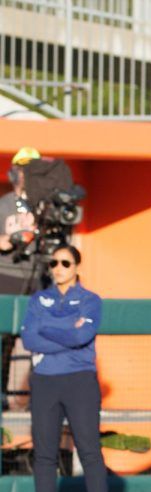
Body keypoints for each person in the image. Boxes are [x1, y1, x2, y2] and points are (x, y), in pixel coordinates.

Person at [16, 245, 110, 492]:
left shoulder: (90, 300)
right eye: (54, 262)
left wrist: (48, 329)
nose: (58, 268)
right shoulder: (38, 299)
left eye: (65, 263)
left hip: (80, 381)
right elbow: (29, 338)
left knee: (89, 449)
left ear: (76, 267)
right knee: (44, 452)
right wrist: (67, 333)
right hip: (44, 381)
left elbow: (83, 335)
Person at [0, 147, 42, 413]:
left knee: (35, 339)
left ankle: (38, 397)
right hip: (7, 274)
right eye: (21, 168)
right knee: (3, 338)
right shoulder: (4, 203)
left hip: (36, 275)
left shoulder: (42, 204)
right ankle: (2, 395)